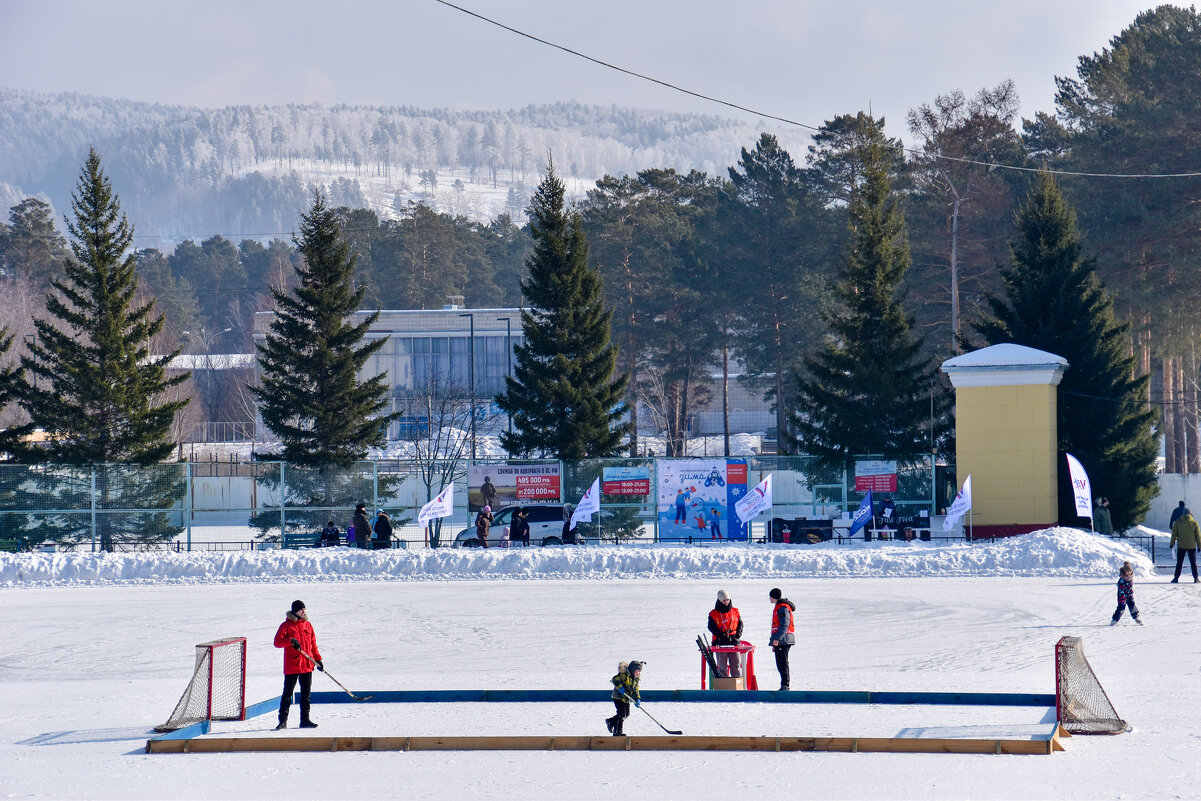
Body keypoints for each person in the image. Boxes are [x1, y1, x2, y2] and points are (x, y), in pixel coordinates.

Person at [273, 599, 322, 730]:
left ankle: (305, 720)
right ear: (295, 611)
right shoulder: (286, 626)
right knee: (287, 694)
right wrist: (290, 641)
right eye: (302, 610)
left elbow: (313, 644)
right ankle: (283, 720)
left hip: (307, 664)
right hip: (292, 665)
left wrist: (318, 659)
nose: (304, 612)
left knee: (306, 694)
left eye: (304, 610)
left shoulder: (308, 625)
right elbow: (277, 642)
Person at [707, 589, 743, 678]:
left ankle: (736, 687)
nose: (726, 602)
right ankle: (724, 688)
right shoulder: (713, 613)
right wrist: (721, 636)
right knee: (722, 667)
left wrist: (737, 635)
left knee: (736, 666)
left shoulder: (735, 611)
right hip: (720, 643)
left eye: (727, 600)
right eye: (724, 600)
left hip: (734, 642)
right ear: (719, 600)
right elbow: (711, 627)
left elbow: (740, 624)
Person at [768, 587, 796, 691]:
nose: (770, 599)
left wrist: (777, 639)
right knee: (780, 663)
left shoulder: (782, 608)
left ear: (774, 597)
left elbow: (785, 625)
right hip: (781, 640)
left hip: (784, 640)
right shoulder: (779, 606)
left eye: (770, 597)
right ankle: (784, 685)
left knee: (782, 663)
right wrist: (774, 642)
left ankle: (785, 685)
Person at [605, 659, 642, 736]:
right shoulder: (624, 674)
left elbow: (635, 688)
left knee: (626, 714)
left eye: (639, 671)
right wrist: (620, 687)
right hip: (618, 697)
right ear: (632, 670)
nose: (638, 673)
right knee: (621, 714)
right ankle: (618, 732)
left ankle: (611, 722)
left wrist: (637, 698)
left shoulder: (636, 678)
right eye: (637, 671)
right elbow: (615, 679)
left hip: (626, 698)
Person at [1170, 506, 1200, 583]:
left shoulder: (1177, 522)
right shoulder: (1194, 523)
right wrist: (1199, 546)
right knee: (1193, 563)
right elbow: (1198, 536)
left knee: (1179, 563)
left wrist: (1172, 544)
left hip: (1181, 545)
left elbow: (1174, 534)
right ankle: (1196, 578)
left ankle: (1176, 578)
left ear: (1182, 514)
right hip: (1192, 546)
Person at [1110, 561, 1143, 625]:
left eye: (1129, 571)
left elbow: (1130, 586)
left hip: (1129, 595)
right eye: (1127, 572)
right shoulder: (1122, 579)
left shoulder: (1131, 577)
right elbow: (1120, 588)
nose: (1128, 573)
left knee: (1132, 606)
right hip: (1122, 596)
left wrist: (1130, 592)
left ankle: (1136, 618)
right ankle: (1115, 620)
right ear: (1125, 572)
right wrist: (1122, 596)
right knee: (1121, 608)